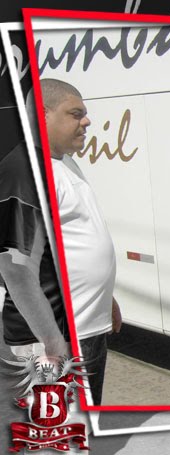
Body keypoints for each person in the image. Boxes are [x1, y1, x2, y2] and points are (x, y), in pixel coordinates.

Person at [40, 78, 122, 405]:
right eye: (76, 114)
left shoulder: (65, 163)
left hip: (89, 326)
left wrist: (106, 298)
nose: (86, 121)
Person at [0, 139, 70, 362]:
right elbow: (15, 269)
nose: (86, 123)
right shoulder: (22, 168)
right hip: (40, 337)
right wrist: (52, 341)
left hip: (58, 327)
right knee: (51, 386)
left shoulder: (57, 162)